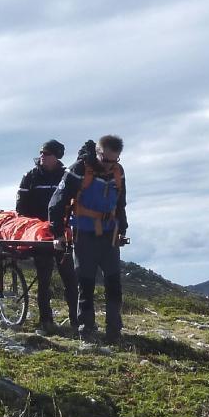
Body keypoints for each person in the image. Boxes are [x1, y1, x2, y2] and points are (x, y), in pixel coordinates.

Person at [48, 135, 127, 343]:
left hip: (109, 235)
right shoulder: (79, 170)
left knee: (113, 284)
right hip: (84, 235)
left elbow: (120, 204)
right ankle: (86, 331)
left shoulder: (118, 172)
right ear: (98, 153)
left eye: (115, 160)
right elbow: (56, 203)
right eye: (107, 160)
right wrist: (57, 234)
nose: (111, 165)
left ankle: (114, 331)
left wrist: (122, 229)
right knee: (86, 284)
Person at [16, 139, 79, 335]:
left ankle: (76, 322)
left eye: (47, 153)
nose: (43, 156)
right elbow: (21, 208)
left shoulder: (66, 175)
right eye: (42, 152)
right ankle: (46, 321)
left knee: (70, 278)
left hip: (62, 233)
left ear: (57, 156)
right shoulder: (30, 177)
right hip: (39, 234)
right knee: (44, 278)